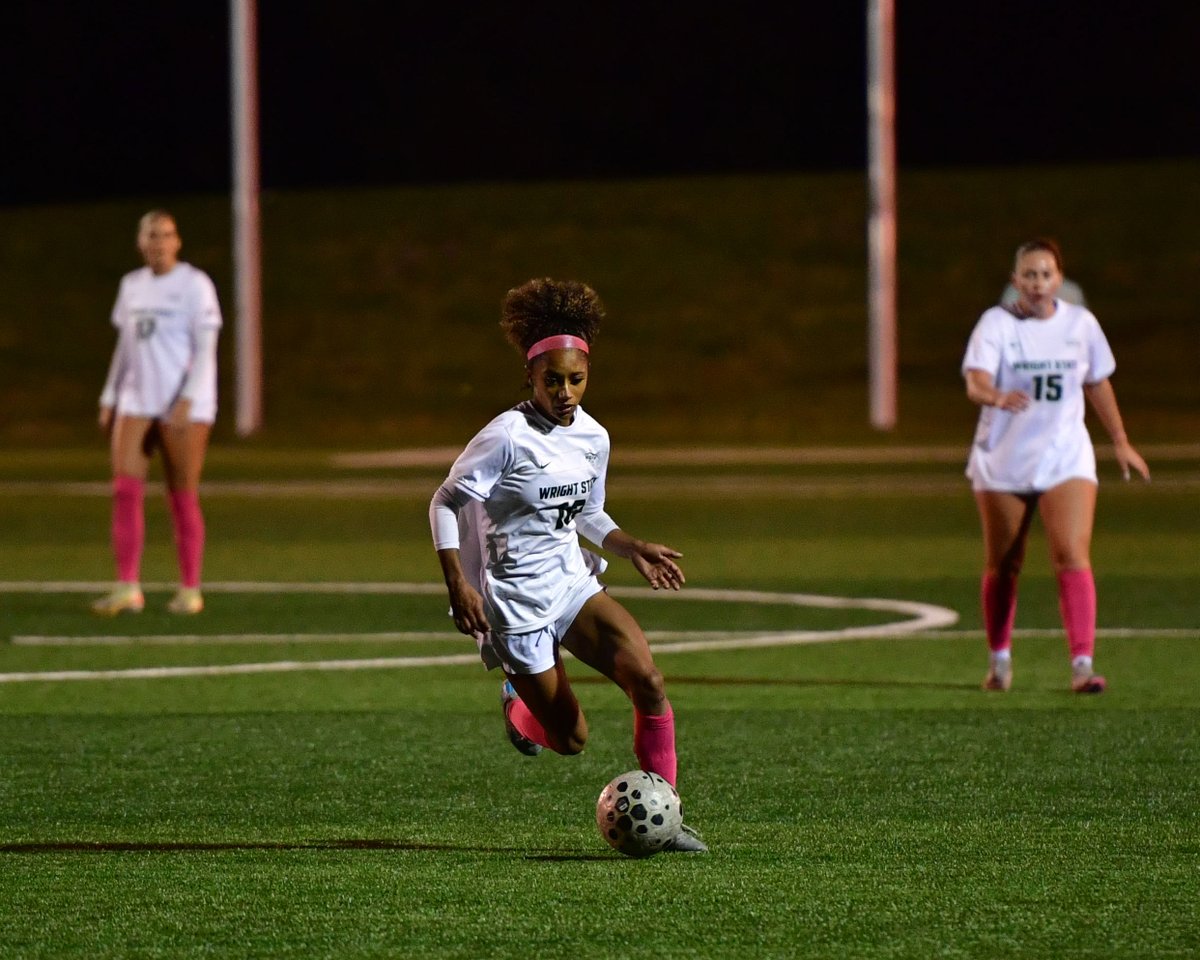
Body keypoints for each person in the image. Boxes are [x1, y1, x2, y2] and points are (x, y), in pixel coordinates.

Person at [429, 277, 707, 852]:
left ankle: (670, 817)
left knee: (649, 682)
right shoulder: (504, 438)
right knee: (571, 738)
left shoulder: (594, 436)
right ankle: (517, 702)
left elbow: (589, 513)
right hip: (516, 603)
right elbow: (444, 501)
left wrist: (631, 547)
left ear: (588, 375)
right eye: (551, 380)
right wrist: (458, 583)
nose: (564, 392)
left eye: (575, 379)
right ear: (530, 377)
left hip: (572, 584)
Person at [962, 238, 1149, 694]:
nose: (1038, 283)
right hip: (1003, 457)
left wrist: (1120, 441)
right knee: (1004, 563)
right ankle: (1000, 658)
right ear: (1015, 282)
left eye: (1046, 274)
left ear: (1059, 280)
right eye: (1029, 275)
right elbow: (976, 381)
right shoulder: (996, 324)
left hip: (1065, 455)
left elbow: (1097, 383)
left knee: (1071, 552)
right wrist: (996, 396)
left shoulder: (1081, 325)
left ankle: (1083, 665)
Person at [92, 210, 223, 616]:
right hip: (137, 399)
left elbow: (206, 347)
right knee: (124, 490)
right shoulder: (131, 286)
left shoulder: (194, 285)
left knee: (181, 494)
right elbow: (125, 348)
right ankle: (128, 586)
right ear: (140, 242)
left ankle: (190, 588)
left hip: (183, 403)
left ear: (177, 241)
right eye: (152, 235)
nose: (159, 242)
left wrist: (189, 398)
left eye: (166, 234)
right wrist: (110, 396)